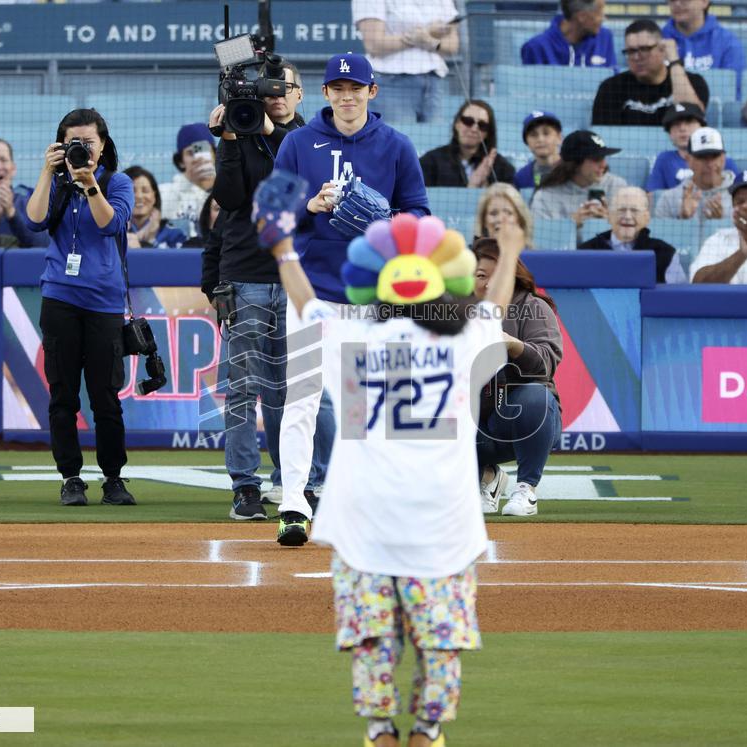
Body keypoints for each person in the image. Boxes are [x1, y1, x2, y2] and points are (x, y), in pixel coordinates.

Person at [251, 169, 512, 747]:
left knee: (372, 642)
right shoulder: (467, 341)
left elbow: (305, 301)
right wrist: (513, 245)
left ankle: (379, 732)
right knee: (440, 642)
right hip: (443, 528)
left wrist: (284, 247)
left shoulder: (353, 338)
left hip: (362, 526)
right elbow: (494, 301)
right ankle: (426, 731)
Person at [272, 52, 430, 546]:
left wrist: (385, 223)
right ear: (325, 93)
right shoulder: (298, 143)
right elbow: (271, 213)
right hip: (310, 293)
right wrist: (308, 204)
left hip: (372, 298)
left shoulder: (396, 146)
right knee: (300, 401)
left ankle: (367, 502)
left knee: (368, 407)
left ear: (371, 91)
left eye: (355, 87)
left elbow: (421, 216)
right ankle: (294, 503)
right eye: (338, 87)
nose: (346, 95)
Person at [201, 58, 309, 522]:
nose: (278, 95)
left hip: (296, 277)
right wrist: (228, 137)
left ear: (300, 94)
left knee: (293, 390)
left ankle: (293, 484)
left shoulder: (311, 139)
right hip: (244, 274)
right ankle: (246, 487)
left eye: (286, 87)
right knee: (243, 389)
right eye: (269, 88)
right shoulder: (241, 133)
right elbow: (227, 197)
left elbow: (305, 183)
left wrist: (269, 132)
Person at [24, 108, 137, 507]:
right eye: (73, 143)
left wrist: (89, 183)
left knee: (106, 396)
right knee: (63, 395)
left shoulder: (117, 181)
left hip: (104, 302)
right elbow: (34, 219)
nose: (81, 150)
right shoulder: (54, 183)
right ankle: (71, 477)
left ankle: (113, 478)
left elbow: (111, 224)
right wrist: (45, 171)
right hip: (60, 299)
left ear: (103, 145)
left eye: (88, 143)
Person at [473, 236, 562, 517]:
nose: (488, 284)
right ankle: (486, 478)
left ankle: (526, 489)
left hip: (513, 418)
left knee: (536, 397)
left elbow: (546, 362)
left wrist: (513, 345)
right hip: (471, 422)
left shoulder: (533, 307)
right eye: (480, 275)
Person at [353, 0, 459, 123]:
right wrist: (422, 35)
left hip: (434, 83)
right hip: (390, 84)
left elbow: (452, 46)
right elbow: (374, 45)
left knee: (435, 140)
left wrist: (428, 39)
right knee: (397, 140)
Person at [591, 19, 709, 127]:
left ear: (662, 50)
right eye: (631, 51)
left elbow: (693, 119)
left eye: (645, 49)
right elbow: (606, 135)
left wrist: (674, 61)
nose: (637, 57)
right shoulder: (611, 88)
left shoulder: (693, 82)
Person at [531, 130, 627, 240]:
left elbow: (632, 237)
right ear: (575, 164)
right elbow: (539, 241)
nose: (604, 165)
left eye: (604, 158)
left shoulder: (617, 186)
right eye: (596, 159)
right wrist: (571, 224)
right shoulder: (545, 196)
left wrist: (610, 221)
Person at [579, 186, 686, 283]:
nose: (627, 216)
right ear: (609, 216)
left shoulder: (665, 253)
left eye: (634, 210)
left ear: (646, 218)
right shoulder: (585, 252)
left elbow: (678, 298)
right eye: (621, 210)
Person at [419, 100, 516, 188]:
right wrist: (471, 187)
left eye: (482, 125)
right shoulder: (430, 162)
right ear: (457, 124)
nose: (474, 129)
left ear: (487, 133)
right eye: (468, 121)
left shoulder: (503, 168)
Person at [0, 138, 49, 248]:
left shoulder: (31, 201)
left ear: (13, 168)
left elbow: (43, 245)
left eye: (3, 160)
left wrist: (12, 214)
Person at [646, 102, 738, 191]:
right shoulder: (664, 159)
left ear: (702, 127)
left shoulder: (723, 162)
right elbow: (653, 194)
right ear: (669, 133)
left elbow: (738, 193)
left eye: (689, 122)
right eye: (676, 124)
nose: (682, 128)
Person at [654, 126, 735, 220]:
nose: (709, 164)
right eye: (702, 157)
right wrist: (684, 220)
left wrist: (720, 224)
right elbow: (660, 235)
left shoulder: (741, 197)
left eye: (714, 156)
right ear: (688, 160)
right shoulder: (668, 199)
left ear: (723, 158)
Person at [660, 0, 745, 76]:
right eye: (672, 0)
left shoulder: (728, 42)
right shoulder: (658, 41)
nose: (677, 4)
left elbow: (734, 88)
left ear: (704, 2)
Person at [520, 0, 615, 67]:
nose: (604, 18)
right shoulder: (535, 47)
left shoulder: (605, 38)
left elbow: (612, 84)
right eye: (599, 12)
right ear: (582, 16)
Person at [159, 123, 216, 233]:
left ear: (215, 154)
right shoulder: (163, 194)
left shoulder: (229, 191)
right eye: (191, 153)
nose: (198, 159)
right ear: (181, 161)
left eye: (204, 151)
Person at [122, 166, 187, 248]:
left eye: (145, 191)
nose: (139, 196)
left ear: (154, 196)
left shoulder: (175, 235)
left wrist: (150, 241)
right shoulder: (112, 234)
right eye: (131, 191)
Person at [513, 110, 563, 194]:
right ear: (526, 142)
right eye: (533, 134)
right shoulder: (521, 177)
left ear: (559, 137)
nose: (540, 139)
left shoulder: (574, 171)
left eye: (546, 133)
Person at [473, 183, 533, 250]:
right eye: (493, 213)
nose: (500, 219)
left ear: (519, 219)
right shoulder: (473, 257)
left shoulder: (533, 257)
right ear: (484, 220)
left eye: (508, 213)